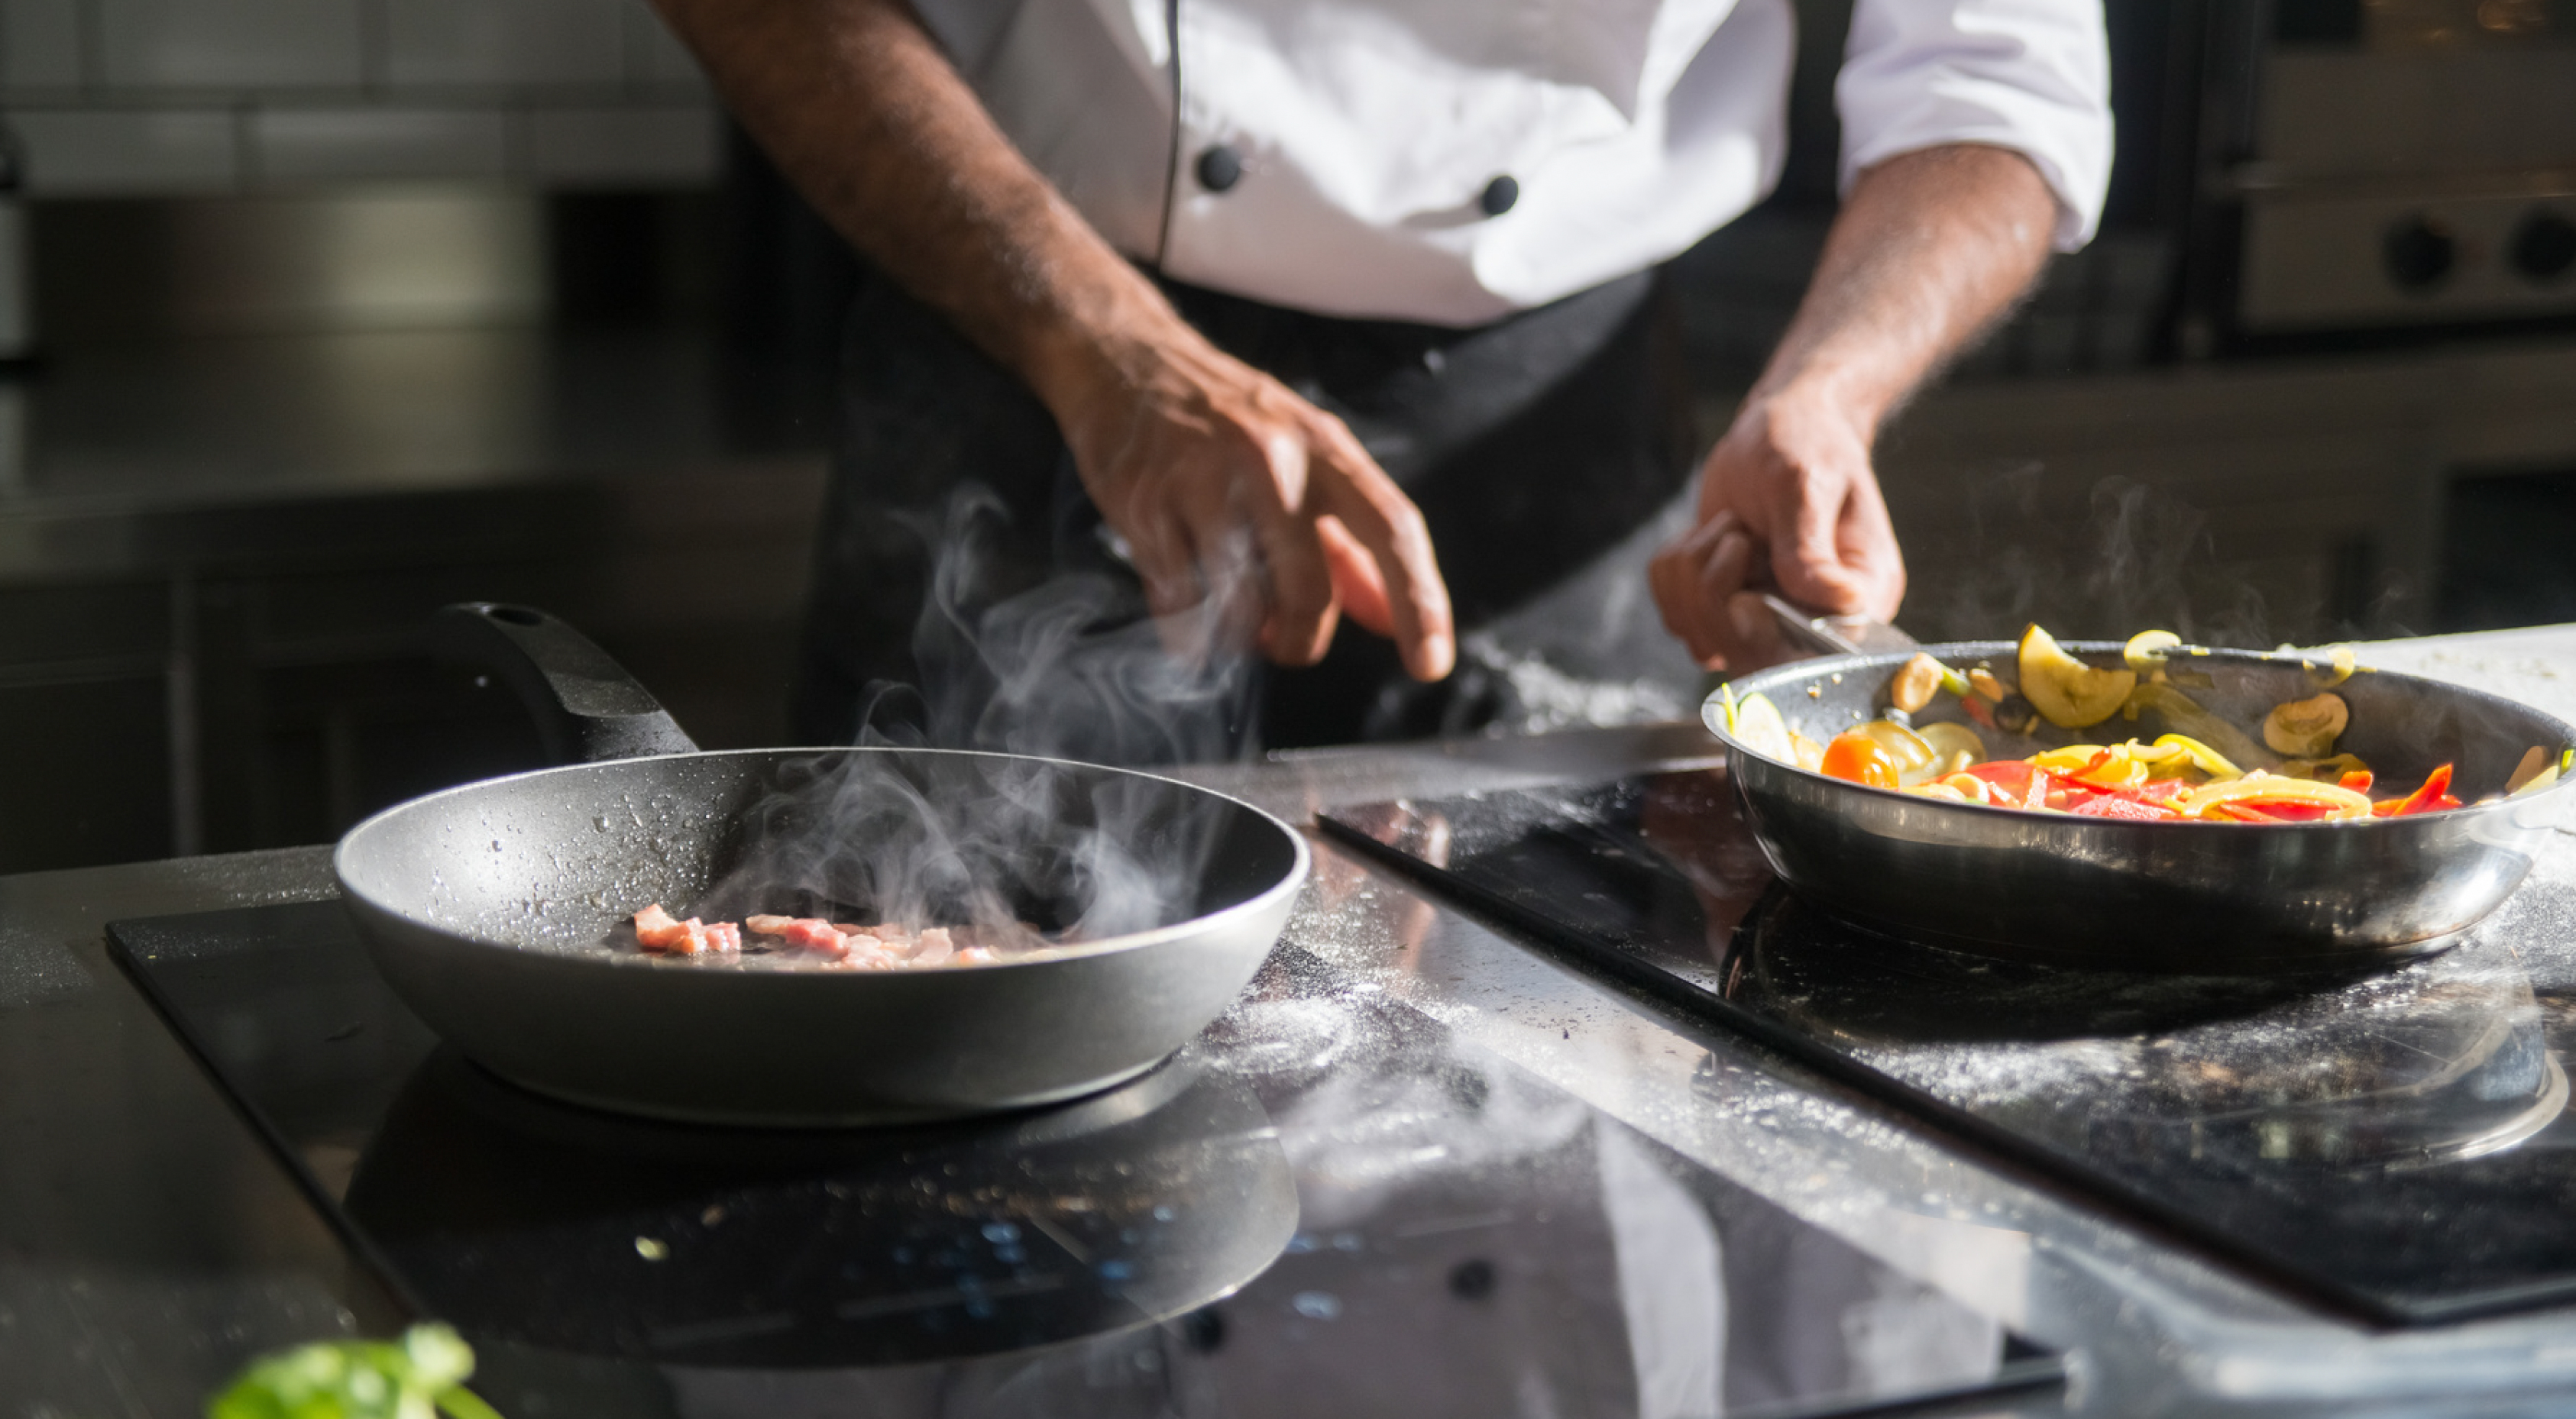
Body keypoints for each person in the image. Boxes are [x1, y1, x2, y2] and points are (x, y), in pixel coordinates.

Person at [655, 0, 2111, 758]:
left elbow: (1997, 69)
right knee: (922, 998)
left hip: (1554, 443)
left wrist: (1831, 388)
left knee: (1555, 1075)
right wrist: (1106, 346)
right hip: (1034, 342)